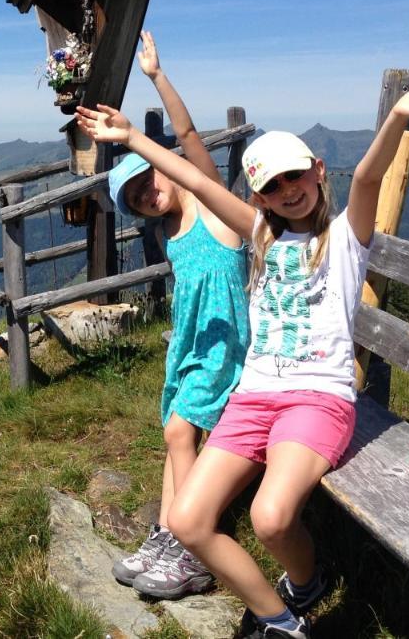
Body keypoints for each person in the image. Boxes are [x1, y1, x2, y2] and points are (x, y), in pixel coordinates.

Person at [78, 80, 409, 638]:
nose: (288, 191)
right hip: (253, 397)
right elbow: (192, 177)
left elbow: (367, 178)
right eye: (272, 184)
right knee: (189, 521)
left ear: (318, 172)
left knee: (269, 518)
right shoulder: (259, 235)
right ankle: (283, 621)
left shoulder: (344, 241)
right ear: (258, 197)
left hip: (317, 400)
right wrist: (134, 138)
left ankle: (307, 583)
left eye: (295, 176)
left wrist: (401, 116)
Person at [108, 31, 250, 601]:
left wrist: (156, 77)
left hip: (227, 343)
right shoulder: (170, 232)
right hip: (189, 342)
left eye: (149, 180)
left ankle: (192, 546)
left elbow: (188, 136)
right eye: (137, 197)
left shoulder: (214, 204)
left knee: (176, 429)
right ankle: (169, 535)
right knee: (176, 434)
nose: (149, 194)